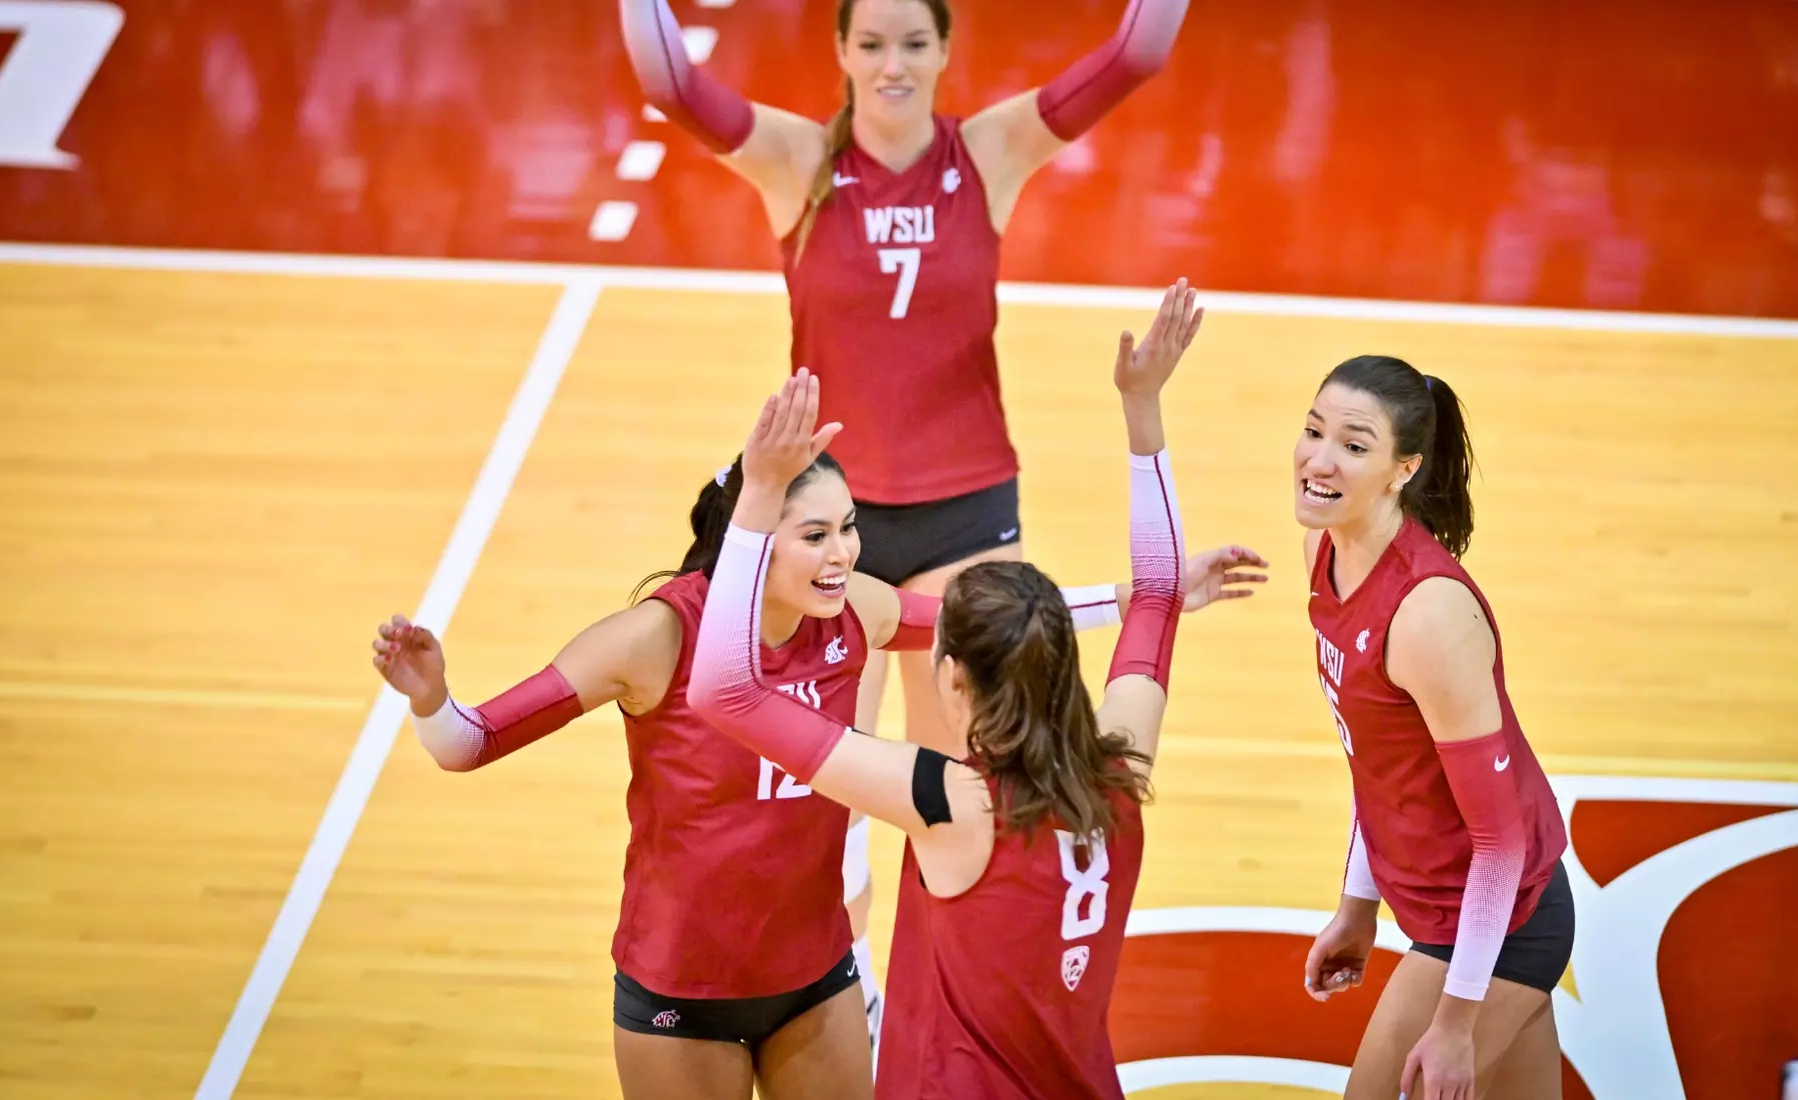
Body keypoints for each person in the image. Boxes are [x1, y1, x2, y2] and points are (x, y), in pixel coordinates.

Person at [367, 394, 1258, 1098]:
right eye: (817, 534)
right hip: (682, 989)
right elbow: (468, 744)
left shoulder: (857, 615)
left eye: (849, 529)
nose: (845, 554)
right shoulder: (654, 638)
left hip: (817, 978)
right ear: (756, 540)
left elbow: (992, 624)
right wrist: (433, 701)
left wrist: (1150, 593)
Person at [619, 0, 1191, 1032]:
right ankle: (857, 999)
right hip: (837, 522)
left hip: (971, 511)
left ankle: (966, 1001)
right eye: (871, 43)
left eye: (913, 43)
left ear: (944, 51)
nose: (892, 65)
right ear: (839, 51)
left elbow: (1139, 51)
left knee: (976, 779)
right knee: (830, 811)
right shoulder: (798, 159)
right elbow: (669, 83)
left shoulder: (988, 152)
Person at [685, 281, 1210, 1098]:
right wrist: (1142, 407)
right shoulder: (1120, 766)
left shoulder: (945, 801)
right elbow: (1158, 593)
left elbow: (722, 692)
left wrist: (755, 497)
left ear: (952, 676)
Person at [1294, 355, 1572, 1100]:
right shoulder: (1325, 550)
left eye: (1353, 445)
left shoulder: (1428, 615)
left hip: (1498, 921)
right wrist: (1358, 909)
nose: (1319, 459)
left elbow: (1501, 839)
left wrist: (1453, 1024)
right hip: (1440, 902)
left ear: (1402, 469)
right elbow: (1375, 761)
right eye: (1314, 430)